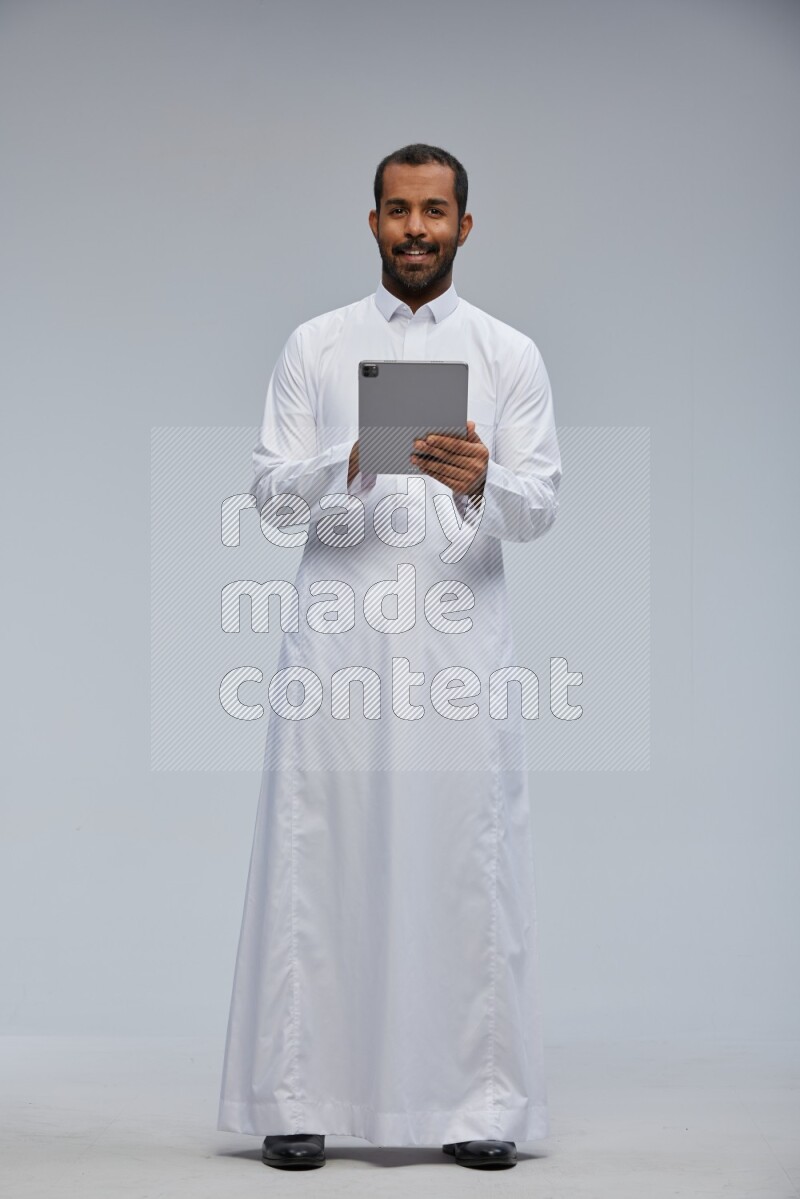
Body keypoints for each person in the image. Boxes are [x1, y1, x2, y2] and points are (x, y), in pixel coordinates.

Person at [217, 143, 562, 1171]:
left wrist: (480, 477)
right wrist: (350, 458)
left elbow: (540, 507)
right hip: (338, 644)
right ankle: (296, 1096)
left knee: (468, 862)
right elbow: (272, 501)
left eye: (435, 211)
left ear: (465, 225)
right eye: (397, 210)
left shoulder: (510, 354)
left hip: (459, 646)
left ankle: (477, 1105)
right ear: (370, 221)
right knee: (316, 856)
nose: (415, 228)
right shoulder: (314, 347)